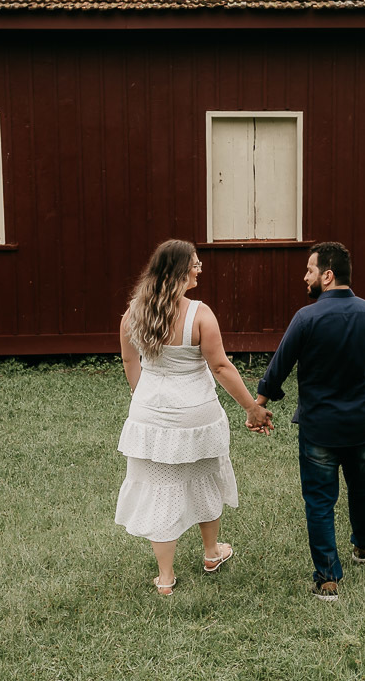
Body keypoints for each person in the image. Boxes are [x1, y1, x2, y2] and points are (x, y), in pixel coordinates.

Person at [115, 239, 273, 596]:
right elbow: (220, 366)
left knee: (159, 491)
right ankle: (212, 553)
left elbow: (130, 362)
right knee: (205, 479)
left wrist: (144, 399)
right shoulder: (199, 314)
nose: (200, 268)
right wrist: (252, 407)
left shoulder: (132, 315)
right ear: (179, 271)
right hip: (196, 416)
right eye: (196, 264)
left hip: (149, 418)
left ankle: (166, 578)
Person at [253, 241, 365, 601]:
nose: (305, 277)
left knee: (319, 501)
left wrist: (258, 404)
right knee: (362, 489)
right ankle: (364, 545)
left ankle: (328, 580)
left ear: (327, 275)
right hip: (361, 427)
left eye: (310, 270)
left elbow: (279, 367)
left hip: (319, 429)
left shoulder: (306, 318)